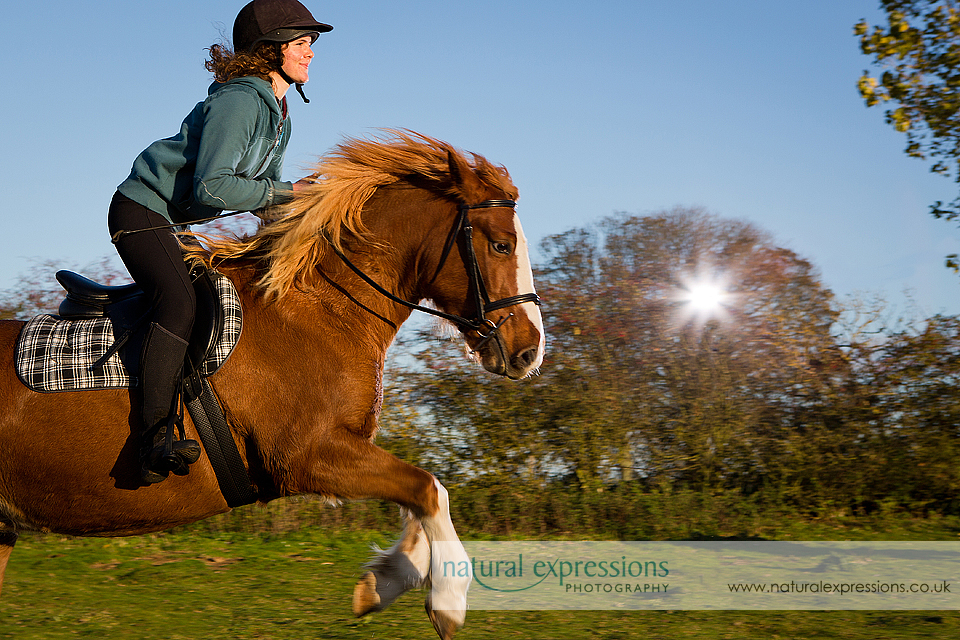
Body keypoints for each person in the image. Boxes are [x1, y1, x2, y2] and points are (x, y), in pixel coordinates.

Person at [108, 0, 332, 485]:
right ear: (270, 51)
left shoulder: (279, 115)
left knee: (222, 297)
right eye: (300, 43)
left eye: (310, 43)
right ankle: (153, 439)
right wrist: (291, 192)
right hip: (140, 212)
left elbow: (265, 195)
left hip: (173, 222)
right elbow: (214, 188)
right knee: (180, 302)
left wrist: (314, 216)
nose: (310, 53)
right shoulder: (241, 100)